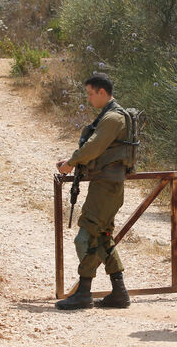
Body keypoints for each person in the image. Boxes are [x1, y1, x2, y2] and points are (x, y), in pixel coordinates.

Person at [55, 73, 131, 310]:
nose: (88, 98)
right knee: (103, 237)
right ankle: (119, 292)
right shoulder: (110, 115)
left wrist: (71, 162)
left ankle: (84, 292)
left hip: (107, 187)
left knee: (85, 237)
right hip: (105, 184)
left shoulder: (114, 117)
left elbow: (95, 145)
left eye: (90, 93)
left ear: (102, 92)